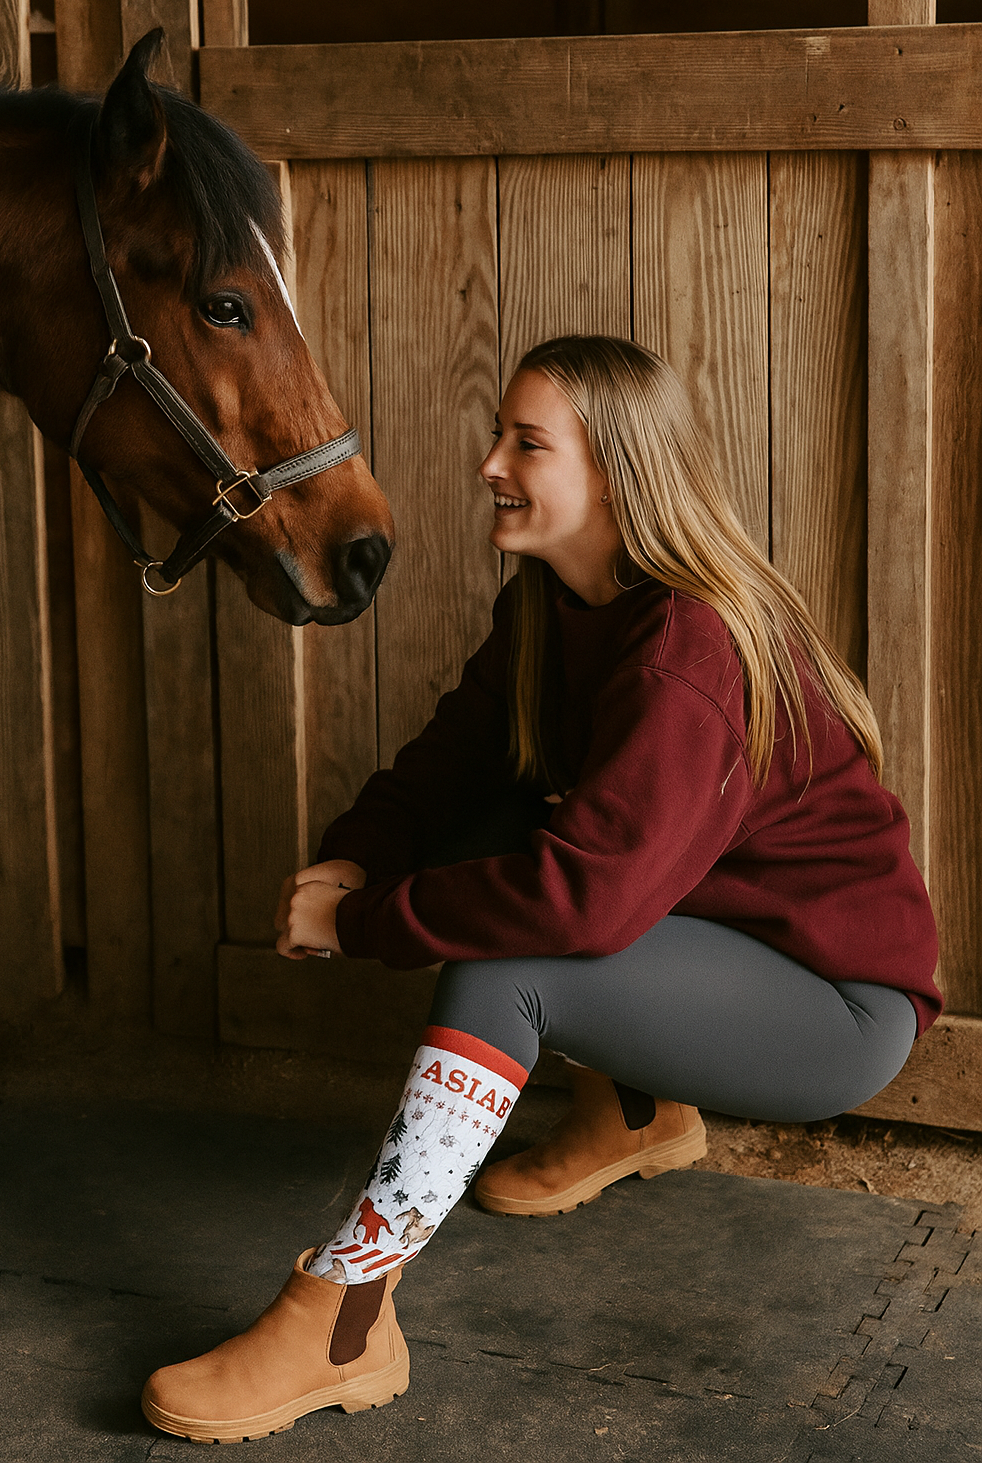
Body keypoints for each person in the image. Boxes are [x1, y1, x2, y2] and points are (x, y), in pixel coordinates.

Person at [141, 335, 941, 1444]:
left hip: (831, 1007)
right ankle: (636, 1109)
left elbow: (583, 907)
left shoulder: (689, 650)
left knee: (511, 958)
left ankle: (345, 1317)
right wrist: (354, 861)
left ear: (614, 473)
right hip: (704, 938)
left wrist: (361, 923)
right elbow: (448, 764)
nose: (489, 465)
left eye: (527, 444)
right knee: (490, 824)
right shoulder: (551, 607)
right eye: (497, 437)